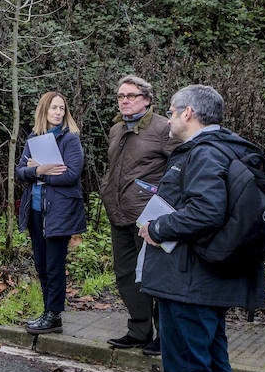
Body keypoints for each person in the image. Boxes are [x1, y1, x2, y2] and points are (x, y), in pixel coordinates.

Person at [140, 84, 265, 372]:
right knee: (212, 367)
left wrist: (157, 226)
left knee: (190, 369)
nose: (170, 119)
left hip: (190, 282)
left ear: (189, 113)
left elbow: (207, 210)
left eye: (173, 112)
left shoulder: (204, 152)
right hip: (206, 279)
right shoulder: (227, 149)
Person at [100, 75, 174, 354]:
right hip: (118, 213)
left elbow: (178, 170)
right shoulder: (117, 129)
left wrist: (161, 205)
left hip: (149, 218)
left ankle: (165, 337)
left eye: (131, 96)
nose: (125, 101)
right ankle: (139, 330)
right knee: (126, 275)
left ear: (147, 99)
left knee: (153, 277)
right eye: (120, 96)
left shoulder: (164, 128)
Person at [15, 91, 87, 335]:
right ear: (43, 111)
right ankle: (47, 312)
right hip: (35, 211)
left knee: (54, 265)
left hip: (60, 211)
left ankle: (54, 315)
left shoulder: (70, 139)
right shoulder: (34, 138)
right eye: (54, 108)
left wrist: (40, 171)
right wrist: (37, 172)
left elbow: (70, 175)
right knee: (41, 264)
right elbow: (20, 171)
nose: (58, 112)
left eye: (62, 108)